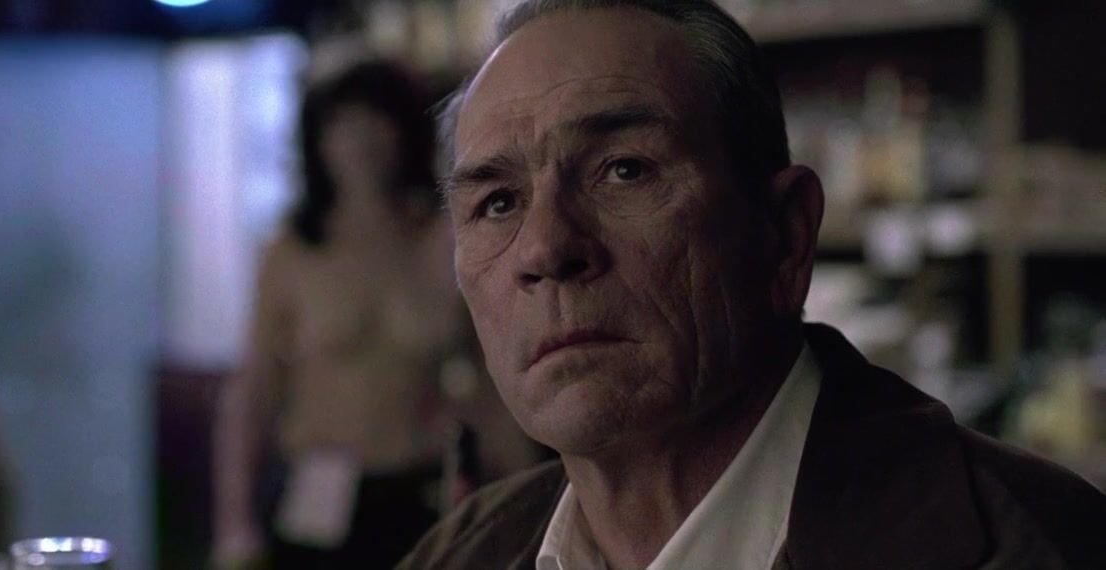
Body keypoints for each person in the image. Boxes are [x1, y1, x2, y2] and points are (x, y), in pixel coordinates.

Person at [399, 1, 1106, 569]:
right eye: (498, 203)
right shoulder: (460, 554)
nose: (547, 248)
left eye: (624, 170)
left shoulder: (1039, 545)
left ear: (785, 235)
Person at [211, 59, 527, 570]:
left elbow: (494, 384)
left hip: (422, 486)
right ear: (318, 140)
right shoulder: (294, 251)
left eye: (376, 123)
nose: (360, 143)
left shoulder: (444, 240)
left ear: (404, 132)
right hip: (319, 486)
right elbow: (254, 390)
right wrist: (234, 524)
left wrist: (527, 495)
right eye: (343, 125)